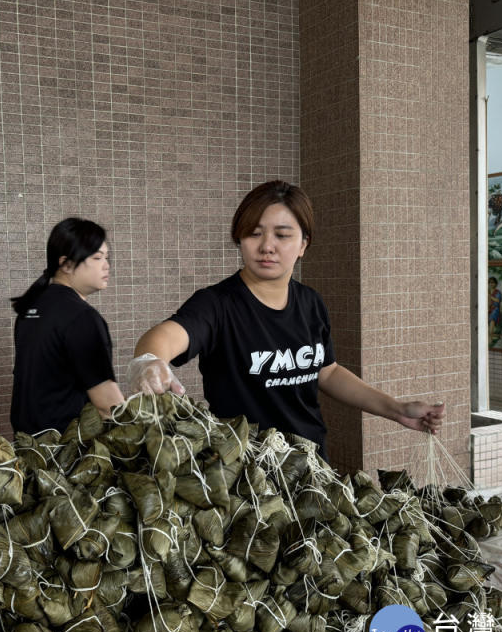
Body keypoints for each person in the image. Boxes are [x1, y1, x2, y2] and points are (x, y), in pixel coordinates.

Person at [127, 181, 444, 459]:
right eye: (254, 234)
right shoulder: (217, 305)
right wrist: (150, 360)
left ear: (303, 244)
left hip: (310, 466)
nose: (267, 246)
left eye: (282, 235)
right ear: (240, 239)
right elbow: (166, 336)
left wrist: (398, 410)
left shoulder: (310, 303)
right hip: (243, 475)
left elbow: (327, 372)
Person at [10, 218, 124, 434]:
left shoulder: (30, 308)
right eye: (97, 257)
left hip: (29, 447)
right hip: (66, 451)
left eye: (107, 257)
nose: (107, 265)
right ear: (66, 264)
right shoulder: (82, 318)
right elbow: (107, 405)